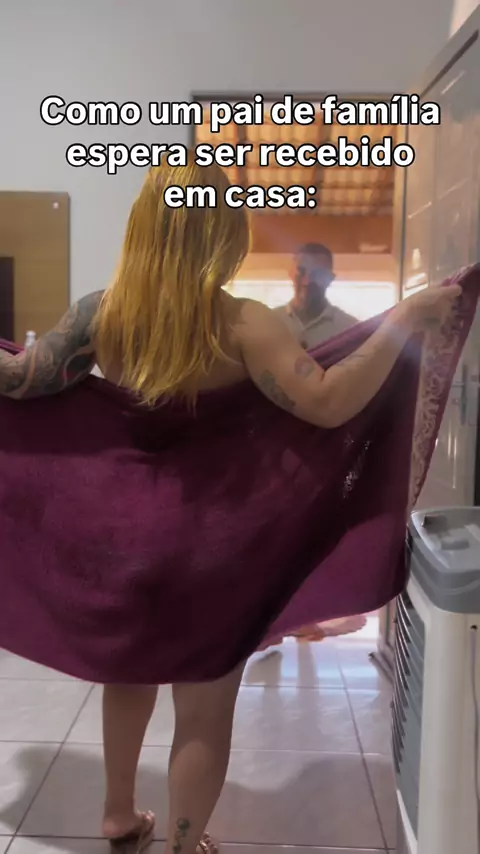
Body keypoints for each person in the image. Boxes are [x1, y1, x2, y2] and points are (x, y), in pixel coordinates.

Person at [0, 159, 461, 854]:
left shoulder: (102, 312)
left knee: (128, 677)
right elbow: (328, 402)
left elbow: (22, 380)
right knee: (204, 711)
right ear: (222, 233)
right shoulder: (246, 321)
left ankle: (118, 816)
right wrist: (403, 321)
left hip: (123, 545)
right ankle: (184, 846)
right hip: (212, 551)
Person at [269, 243, 363, 645]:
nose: (309, 280)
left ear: (332, 279)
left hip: (327, 449)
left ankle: (310, 612)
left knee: (315, 533)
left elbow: (361, 387)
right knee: (271, 536)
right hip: (272, 453)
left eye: (319, 272)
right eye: (303, 270)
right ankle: (271, 618)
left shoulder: (352, 330)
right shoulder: (269, 325)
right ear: (291, 272)